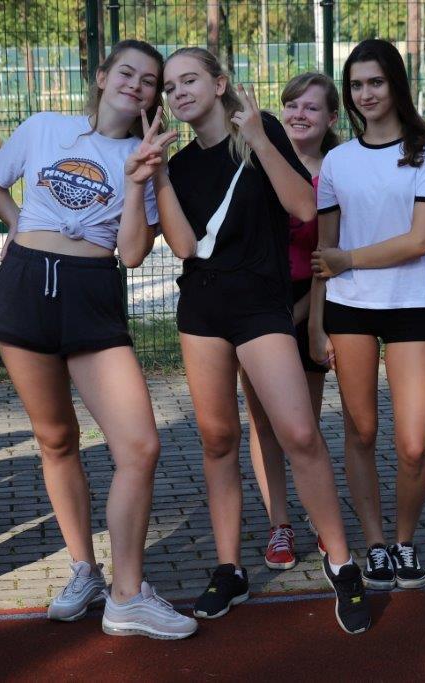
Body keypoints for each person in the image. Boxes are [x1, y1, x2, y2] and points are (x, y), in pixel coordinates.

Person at [129, 46, 370, 634]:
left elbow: (304, 207)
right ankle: (230, 567)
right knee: (218, 440)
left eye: (190, 80)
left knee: (299, 433)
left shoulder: (263, 134)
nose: (179, 93)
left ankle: (342, 563)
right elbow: (184, 247)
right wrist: (157, 176)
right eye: (170, 87)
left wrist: (260, 139)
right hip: (202, 310)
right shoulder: (179, 165)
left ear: (219, 84)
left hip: (261, 308)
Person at [0, 39, 197, 639]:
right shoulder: (45, 127)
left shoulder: (144, 155)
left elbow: (131, 254)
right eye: (126, 72)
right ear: (102, 76)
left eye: (149, 81)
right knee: (56, 439)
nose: (136, 85)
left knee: (140, 446)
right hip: (25, 286)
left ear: (154, 97)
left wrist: (138, 179)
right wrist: (19, 224)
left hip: (92, 293)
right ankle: (84, 570)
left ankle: (127, 595)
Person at [308, 39, 425, 591]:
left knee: (413, 444)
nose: (365, 94)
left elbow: (419, 241)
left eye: (376, 82)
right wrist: (316, 323)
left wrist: (350, 259)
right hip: (349, 309)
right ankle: (375, 544)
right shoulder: (337, 161)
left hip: (410, 306)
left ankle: (405, 541)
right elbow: (324, 254)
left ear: (396, 85)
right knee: (361, 432)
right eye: (356, 85)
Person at [241, 72, 339, 570]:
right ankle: (279, 524)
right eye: (292, 105)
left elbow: (327, 257)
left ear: (331, 118)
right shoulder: (257, 160)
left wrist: (306, 319)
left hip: (308, 304)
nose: (299, 114)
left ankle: (322, 521)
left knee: (302, 428)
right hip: (258, 303)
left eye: (311, 107)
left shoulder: (336, 171)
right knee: (263, 423)